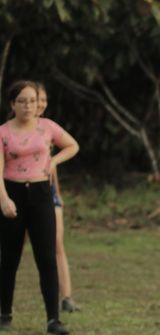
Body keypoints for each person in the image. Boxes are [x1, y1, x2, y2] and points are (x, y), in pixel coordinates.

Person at [0, 80, 79, 335]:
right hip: (12, 194)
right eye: (22, 101)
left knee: (46, 257)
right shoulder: (3, 132)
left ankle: (53, 319)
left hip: (41, 193)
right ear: (12, 104)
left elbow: (72, 145)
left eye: (32, 101)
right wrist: (3, 199)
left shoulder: (48, 127)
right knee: (9, 257)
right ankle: (4, 313)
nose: (28, 106)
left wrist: (54, 161)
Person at [35, 82, 78, 313]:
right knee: (11, 250)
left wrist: (58, 194)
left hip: (48, 192)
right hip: (20, 192)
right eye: (36, 99)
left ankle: (67, 297)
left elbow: (52, 166)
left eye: (43, 100)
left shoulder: (48, 128)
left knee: (57, 244)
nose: (40, 104)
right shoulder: (11, 130)